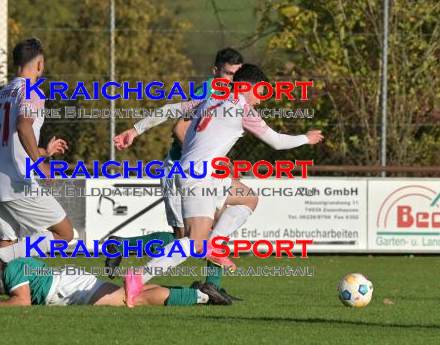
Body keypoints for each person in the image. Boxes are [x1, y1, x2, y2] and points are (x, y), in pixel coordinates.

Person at [123, 64, 324, 306]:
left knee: (249, 198)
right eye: (260, 93)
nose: (260, 101)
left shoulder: (211, 98)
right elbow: (277, 142)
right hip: (199, 177)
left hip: (205, 174)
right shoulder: (242, 110)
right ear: (247, 87)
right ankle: (138, 276)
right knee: (194, 242)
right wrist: (307, 138)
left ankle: (214, 246)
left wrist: (135, 130)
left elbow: (169, 109)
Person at [109, 48, 246, 295]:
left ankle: (212, 287)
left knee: (215, 229)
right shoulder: (209, 91)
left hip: (205, 174)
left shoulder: (234, 95)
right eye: (227, 74)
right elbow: (179, 127)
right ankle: (123, 247)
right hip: (182, 170)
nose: (232, 80)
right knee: (187, 239)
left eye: (237, 75)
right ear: (215, 72)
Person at [0, 37, 73, 311]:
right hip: (18, 182)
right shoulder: (32, 90)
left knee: (6, 250)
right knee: (65, 234)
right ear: (40, 64)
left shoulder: (5, 91)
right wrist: (40, 163)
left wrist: (43, 151)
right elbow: (23, 126)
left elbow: (12, 138)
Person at [0, 223, 229, 315]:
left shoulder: (9, 261)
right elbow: (1, 294)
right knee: (129, 294)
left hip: (70, 288)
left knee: (132, 299)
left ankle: (201, 297)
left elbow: (22, 302)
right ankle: (195, 291)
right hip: (67, 283)